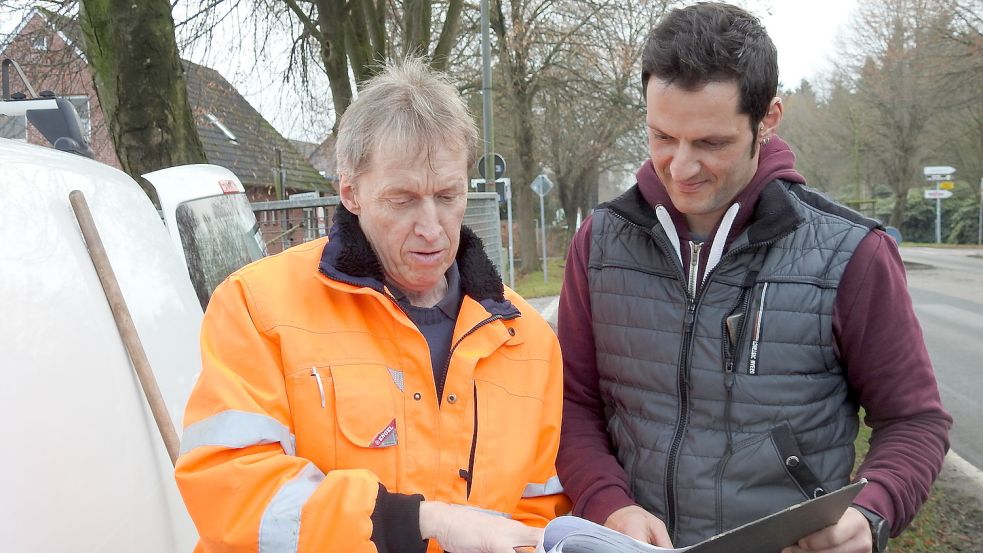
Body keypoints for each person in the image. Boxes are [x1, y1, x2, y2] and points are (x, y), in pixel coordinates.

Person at [555, 3, 952, 553]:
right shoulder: (597, 244)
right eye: (662, 136)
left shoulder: (854, 253)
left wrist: (871, 511)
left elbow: (914, 421)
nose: (682, 167)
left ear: (767, 119)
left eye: (711, 144)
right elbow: (572, 405)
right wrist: (608, 502)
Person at [175, 58, 568, 553]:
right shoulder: (258, 308)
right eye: (403, 200)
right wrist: (420, 521)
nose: (431, 226)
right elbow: (230, 490)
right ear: (350, 192)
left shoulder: (527, 340)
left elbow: (540, 510)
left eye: (448, 196)